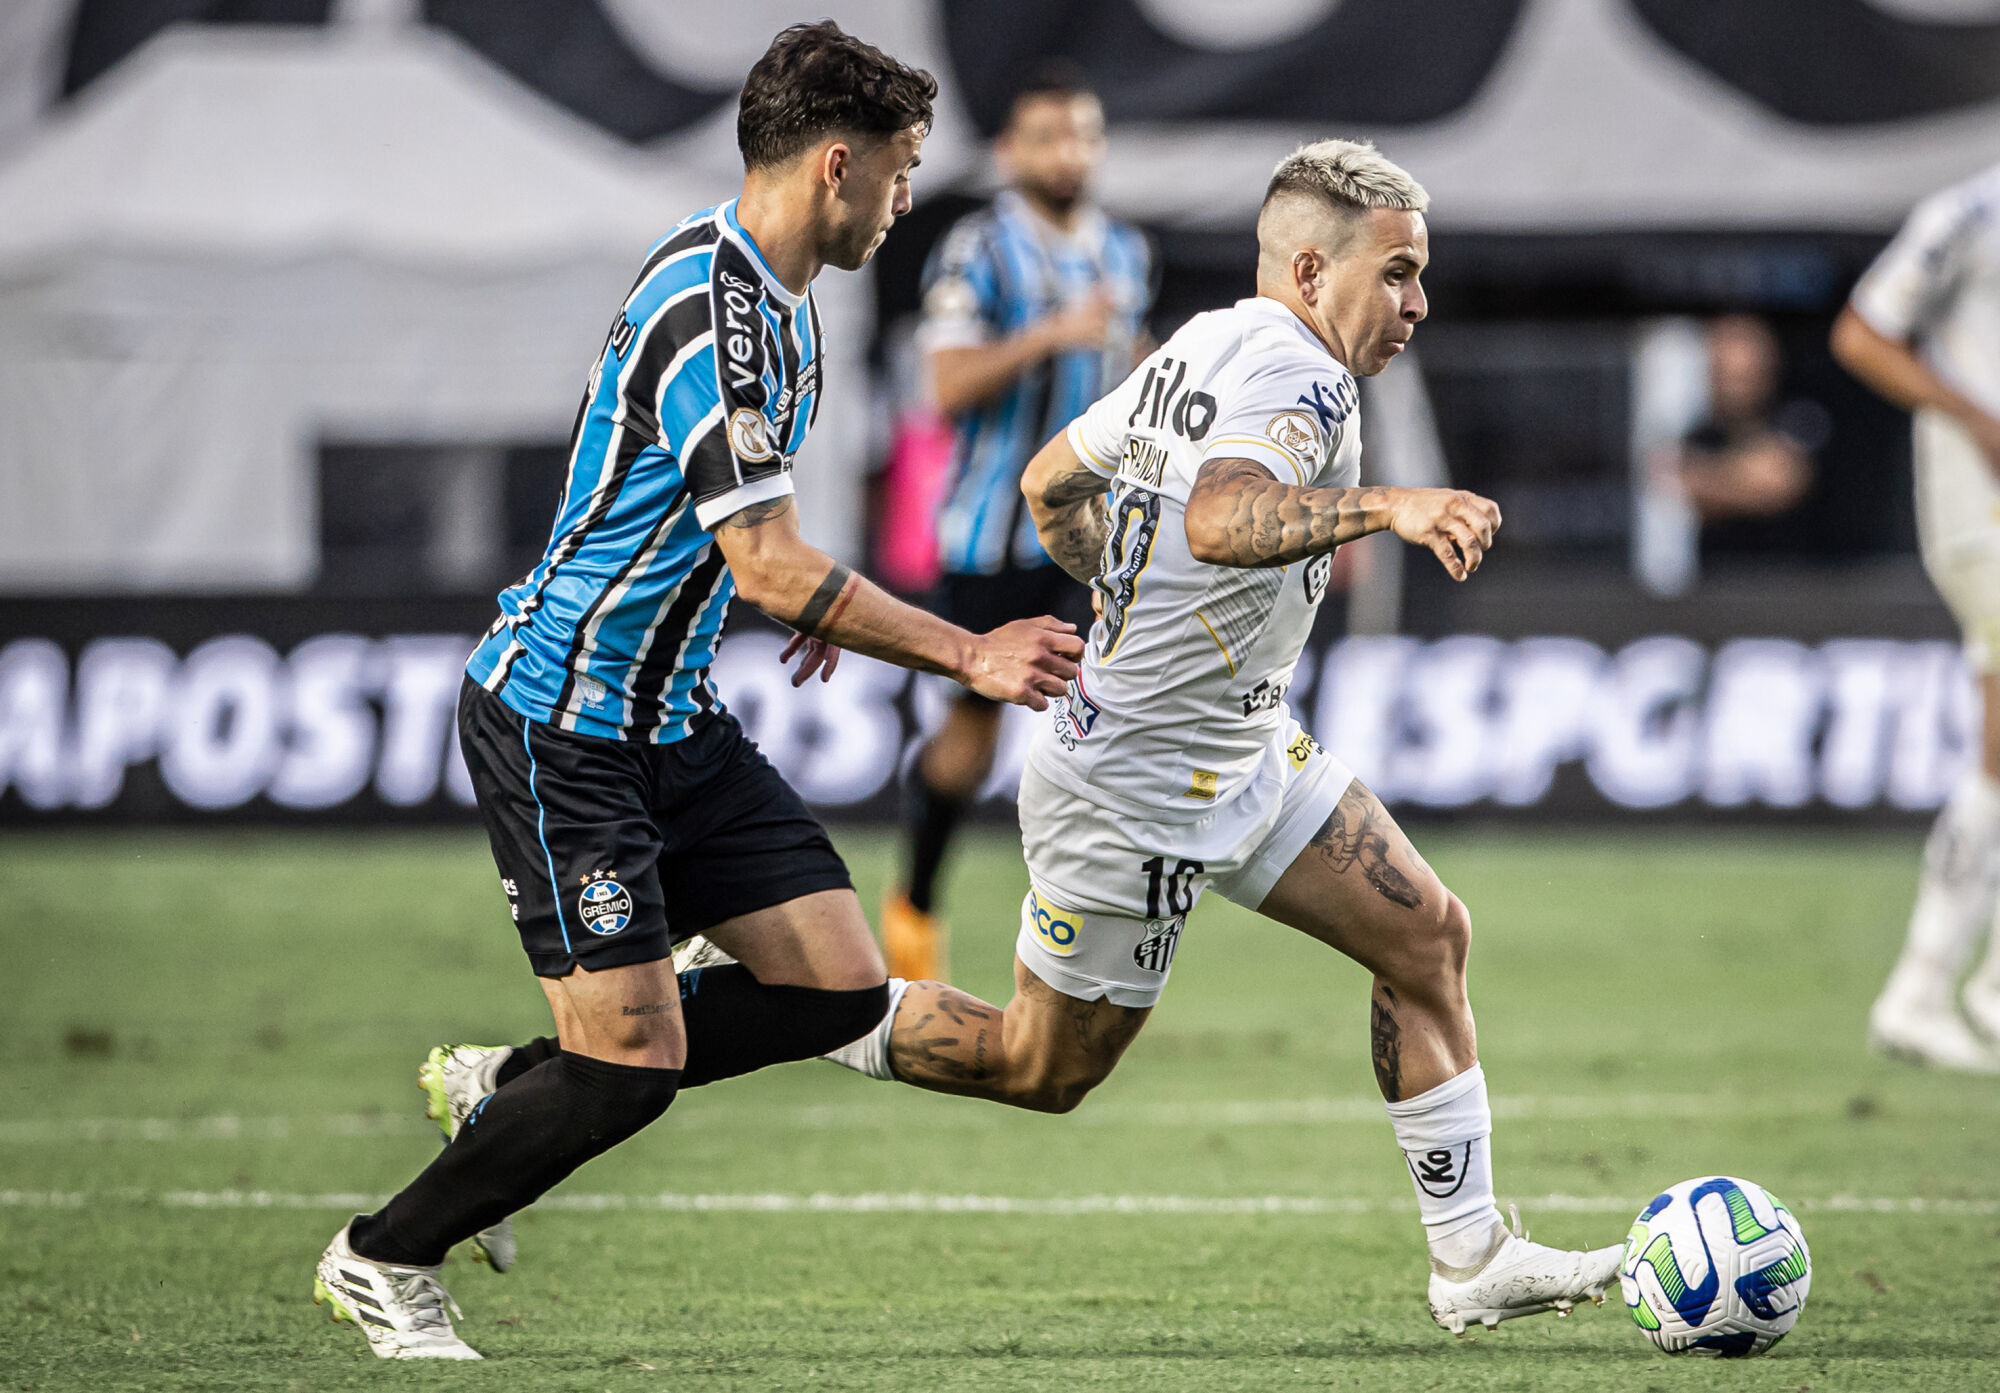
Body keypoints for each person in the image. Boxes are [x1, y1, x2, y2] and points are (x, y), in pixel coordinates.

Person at [310, 22, 1081, 1360]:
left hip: (673, 721)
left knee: (839, 983)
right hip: (565, 723)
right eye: (901, 173)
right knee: (635, 1069)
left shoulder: (785, 302)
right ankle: (382, 1254)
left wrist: (776, 590)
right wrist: (960, 650)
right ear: (839, 164)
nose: (905, 201)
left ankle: (503, 1084)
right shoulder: (707, 309)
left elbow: (736, 542)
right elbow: (773, 559)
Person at [824, 139, 1623, 1334]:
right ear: (1310, 269)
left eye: (1419, 276)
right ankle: (787, 1001)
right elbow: (1219, 513)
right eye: (1395, 275)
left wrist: (1117, 584)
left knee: (1425, 936)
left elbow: (1051, 483)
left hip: (1238, 746)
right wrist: (1391, 506)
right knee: (1038, 1071)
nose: (1416, 304)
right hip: (1133, 783)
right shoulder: (1299, 376)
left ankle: (1470, 1258)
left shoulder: (1203, 340)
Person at [885, 67, 1156, 981]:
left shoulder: (1123, 251)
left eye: (1081, 134)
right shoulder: (977, 251)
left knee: (1114, 720)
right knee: (971, 731)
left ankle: (1091, 934)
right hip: (990, 532)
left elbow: (1132, 372)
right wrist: (1052, 334)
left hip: (1098, 538)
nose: (1067, 152)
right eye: (1047, 136)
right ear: (1009, 153)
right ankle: (914, 906)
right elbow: (946, 386)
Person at [1833, 159, 2000, 1072]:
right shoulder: (1971, 213)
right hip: (1985, 513)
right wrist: (1976, 417)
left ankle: (1941, 987)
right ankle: (1935, 986)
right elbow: (1863, 332)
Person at [1672, 314, 1821, 553]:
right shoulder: (1696, 432)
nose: (1739, 389)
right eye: (1728, 377)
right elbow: (1670, 486)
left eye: (1749, 377)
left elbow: (1781, 484)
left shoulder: (1795, 421)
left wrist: (1709, 477)